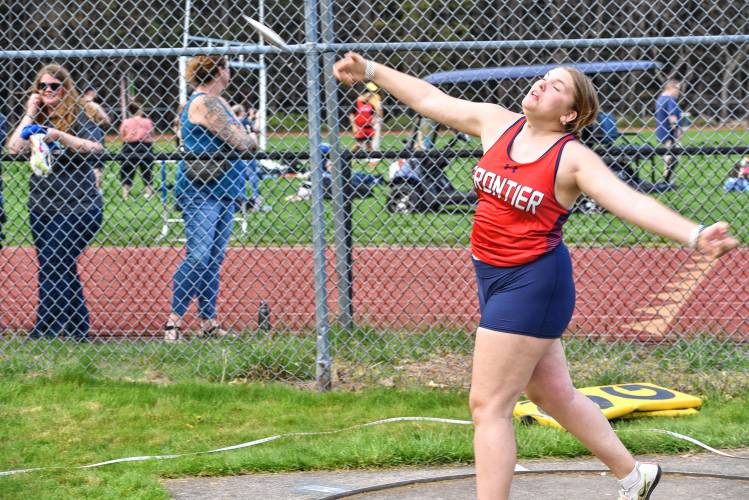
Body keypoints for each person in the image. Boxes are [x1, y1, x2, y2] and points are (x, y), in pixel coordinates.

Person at [333, 52, 738, 500]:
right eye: (543, 78)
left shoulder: (572, 159)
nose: (541, 85)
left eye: (556, 86)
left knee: (488, 406)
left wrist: (694, 233)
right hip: (492, 277)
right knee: (554, 395)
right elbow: (429, 98)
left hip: (533, 283)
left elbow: (628, 201)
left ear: (570, 114)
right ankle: (635, 475)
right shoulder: (496, 123)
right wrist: (371, 71)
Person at [6, 64, 105, 341]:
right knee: (56, 265)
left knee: (54, 262)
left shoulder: (79, 114)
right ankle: (77, 329)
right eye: (43, 86)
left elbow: (97, 147)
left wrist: (59, 135)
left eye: (54, 86)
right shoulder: (36, 116)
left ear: (66, 88)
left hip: (79, 206)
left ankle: (45, 328)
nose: (48, 91)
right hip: (41, 207)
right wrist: (30, 112)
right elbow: (14, 148)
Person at [164, 55, 257, 341]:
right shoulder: (204, 102)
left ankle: (208, 321)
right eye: (227, 68)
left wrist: (245, 137)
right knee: (200, 255)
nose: (230, 72)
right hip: (201, 188)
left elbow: (243, 141)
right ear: (219, 71)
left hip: (226, 188)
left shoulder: (221, 103)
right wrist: (247, 136)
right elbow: (243, 142)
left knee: (213, 259)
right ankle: (173, 323)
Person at [230, 104, 264, 211]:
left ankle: (242, 199)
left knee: (240, 175)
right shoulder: (245, 121)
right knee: (252, 174)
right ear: (241, 113)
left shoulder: (233, 122)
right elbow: (255, 130)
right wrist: (256, 117)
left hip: (239, 151)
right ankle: (255, 195)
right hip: (250, 150)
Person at [118, 101, 155, 200]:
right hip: (145, 146)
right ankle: (149, 192)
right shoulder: (147, 121)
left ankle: (125, 194)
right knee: (147, 170)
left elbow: (122, 135)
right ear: (140, 110)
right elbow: (152, 133)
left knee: (127, 170)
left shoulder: (126, 121)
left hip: (130, 146)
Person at [654, 79, 683, 182]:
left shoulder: (660, 99)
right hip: (670, 133)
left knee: (668, 156)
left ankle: (667, 178)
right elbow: (672, 116)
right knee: (672, 157)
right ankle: (667, 179)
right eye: (677, 89)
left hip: (662, 132)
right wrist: (677, 130)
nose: (678, 92)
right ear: (671, 87)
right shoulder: (670, 99)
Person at [366, 82, 385, 152]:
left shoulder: (376, 97)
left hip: (375, 118)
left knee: (375, 137)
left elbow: (379, 110)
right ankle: (370, 153)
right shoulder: (365, 98)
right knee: (369, 138)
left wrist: (379, 118)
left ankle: (374, 154)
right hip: (368, 119)